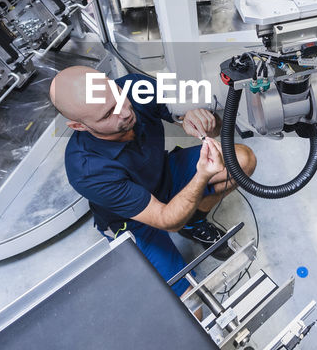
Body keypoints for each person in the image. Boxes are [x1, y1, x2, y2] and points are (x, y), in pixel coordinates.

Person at [49, 66, 257, 294]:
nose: (124, 112)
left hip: (163, 175)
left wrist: (202, 119)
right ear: (79, 126)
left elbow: (213, 127)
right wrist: (202, 175)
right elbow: (167, 220)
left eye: (117, 93)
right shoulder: (85, 169)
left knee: (242, 161)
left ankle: (193, 223)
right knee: (188, 303)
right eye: (108, 114)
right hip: (133, 222)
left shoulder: (136, 88)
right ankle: (183, 225)